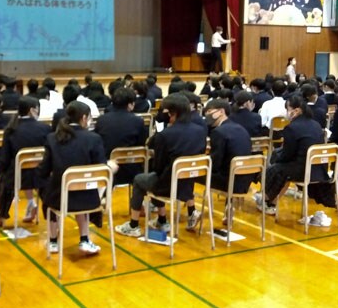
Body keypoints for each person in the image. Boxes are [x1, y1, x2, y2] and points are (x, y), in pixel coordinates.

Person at [115, 93, 207, 237]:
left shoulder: (165, 135)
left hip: (168, 186)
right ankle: (162, 220)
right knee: (158, 176)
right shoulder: (200, 131)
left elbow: (158, 168)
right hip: (188, 185)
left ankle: (133, 225)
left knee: (140, 180)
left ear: (172, 112)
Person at [37, 101, 111, 255]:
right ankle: (84, 239)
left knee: (48, 191)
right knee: (81, 188)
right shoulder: (94, 138)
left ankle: (52, 241)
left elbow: (44, 170)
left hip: (59, 198)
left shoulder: (52, 138)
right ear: (84, 118)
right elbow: (101, 167)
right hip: (89, 198)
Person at [256, 95, 334, 215]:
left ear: (296, 111)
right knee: (281, 167)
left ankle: (268, 199)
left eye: (288, 109)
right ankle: (270, 200)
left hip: (302, 169)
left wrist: (277, 159)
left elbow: (288, 154)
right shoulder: (315, 124)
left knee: (277, 168)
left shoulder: (292, 128)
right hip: (319, 168)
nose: (286, 112)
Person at [0, 97, 51, 226]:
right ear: (32, 110)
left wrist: (3, 173)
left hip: (17, 176)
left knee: (4, 182)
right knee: (46, 183)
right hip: (41, 175)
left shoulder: (11, 130)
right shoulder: (45, 128)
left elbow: (4, 158)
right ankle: (53, 218)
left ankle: (2, 216)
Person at [204, 99, 252, 225]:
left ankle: (192, 211)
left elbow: (215, 163)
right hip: (245, 180)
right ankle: (228, 208)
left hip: (229, 182)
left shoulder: (218, 132)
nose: (206, 115)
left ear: (221, 112)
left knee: (193, 175)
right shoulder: (241, 128)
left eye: (209, 112)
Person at [94, 87, 147, 188]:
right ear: (130, 104)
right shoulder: (138, 121)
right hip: (132, 169)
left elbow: (99, 143)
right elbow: (141, 144)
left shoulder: (102, 120)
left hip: (108, 166)